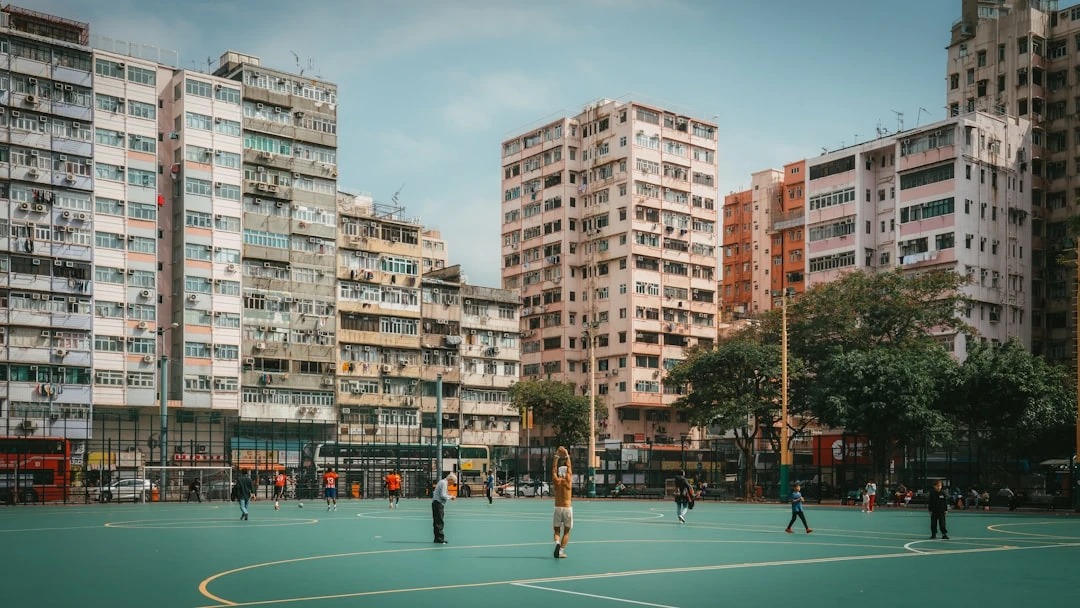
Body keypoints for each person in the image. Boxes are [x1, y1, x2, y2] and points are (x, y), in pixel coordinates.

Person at [552, 446, 573, 558]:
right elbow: (569, 467)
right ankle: (560, 551)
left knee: (556, 531)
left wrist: (557, 456)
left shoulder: (556, 481)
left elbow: (553, 469)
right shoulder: (568, 481)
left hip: (557, 507)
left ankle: (557, 543)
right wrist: (566, 455)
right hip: (567, 507)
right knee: (566, 532)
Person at [431, 472, 456, 544]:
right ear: (450, 479)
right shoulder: (444, 483)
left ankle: (437, 538)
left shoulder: (442, 482)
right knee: (439, 521)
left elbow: (443, 494)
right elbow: (442, 495)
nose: (452, 483)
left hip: (436, 503)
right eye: (453, 481)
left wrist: (448, 495)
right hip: (438, 504)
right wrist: (451, 497)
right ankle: (440, 538)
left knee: (437, 521)